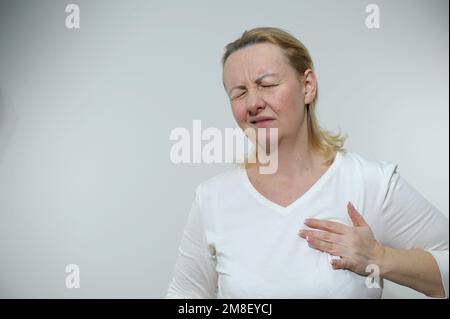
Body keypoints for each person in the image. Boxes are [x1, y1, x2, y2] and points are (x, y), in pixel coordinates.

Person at [166, 27, 449, 298]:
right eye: (238, 92)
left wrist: (381, 258)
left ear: (308, 87)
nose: (252, 103)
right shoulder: (213, 199)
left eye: (267, 84)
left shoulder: (371, 182)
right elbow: (185, 295)